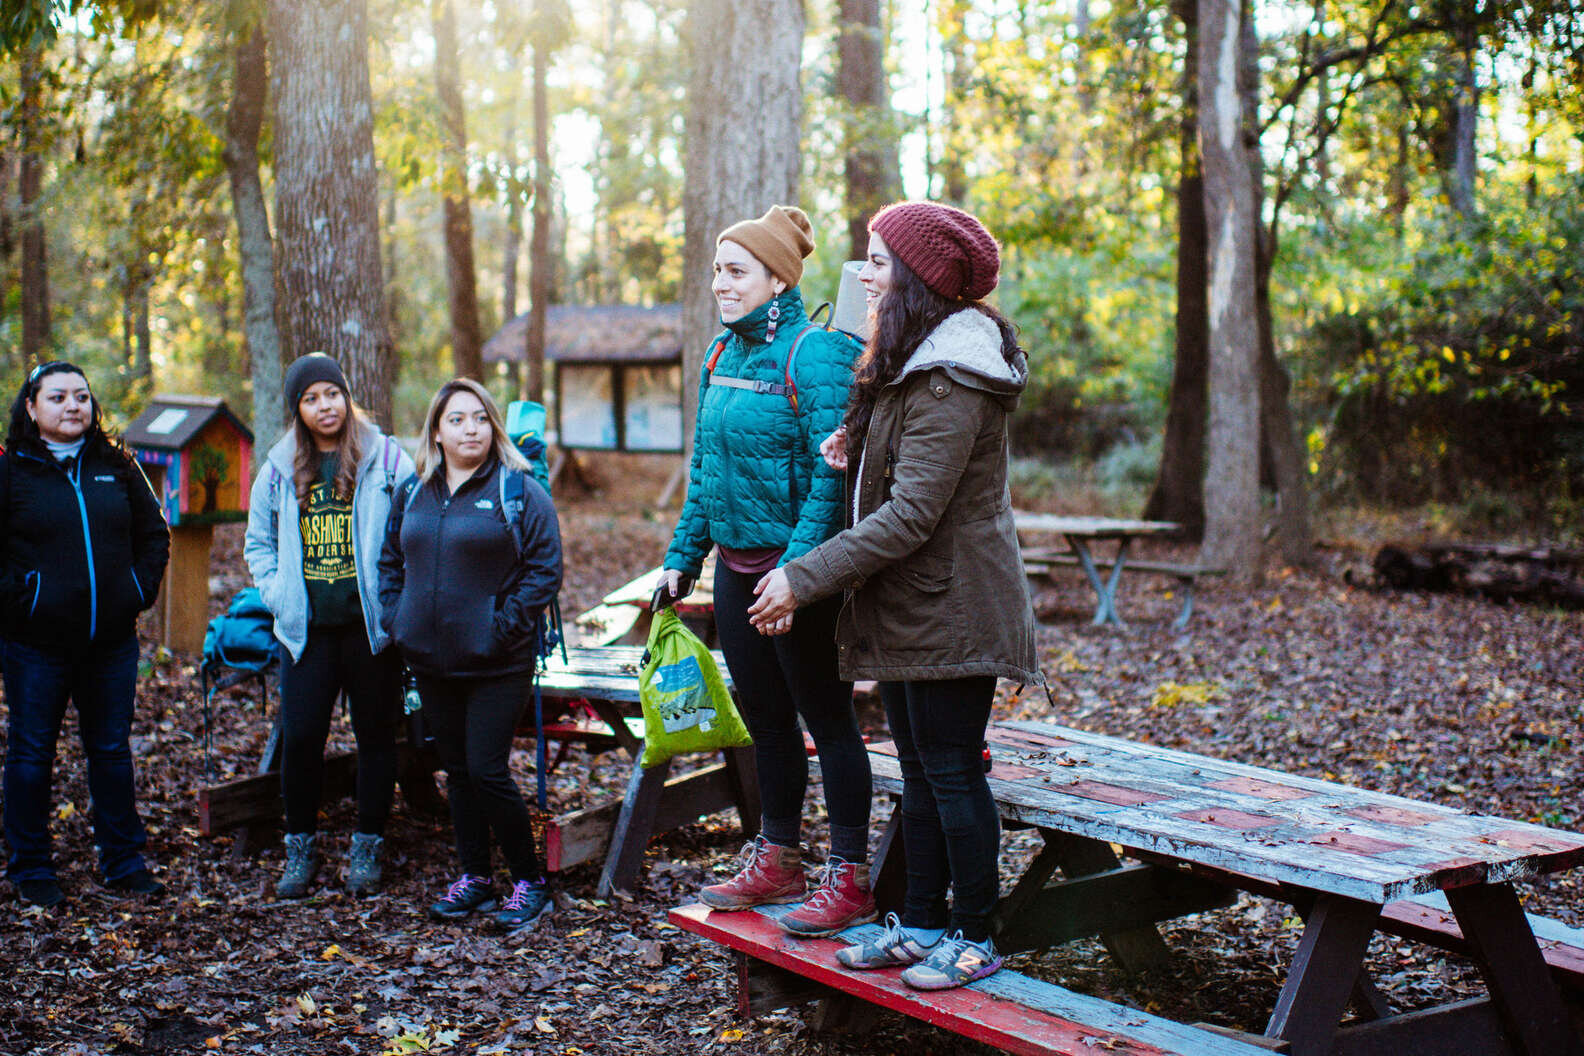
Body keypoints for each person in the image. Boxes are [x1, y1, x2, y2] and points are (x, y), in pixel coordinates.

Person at [748, 201, 1038, 989]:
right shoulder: (916, 361)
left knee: (951, 773)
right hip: (916, 603)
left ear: (918, 277)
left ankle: (974, 934)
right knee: (919, 772)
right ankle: (922, 923)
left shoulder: (953, 375)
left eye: (877, 261)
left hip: (955, 605)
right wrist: (861, 445)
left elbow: (913, 514)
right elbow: (907, 464)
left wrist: (803, 577)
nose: (865, 275)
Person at [660, 205, 875, 937]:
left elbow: (830, 481)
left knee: (829, 721)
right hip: (735, 568)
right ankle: (779, 857)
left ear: (778, 279)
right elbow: (705, 470)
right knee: (767, 722)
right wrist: (683, 557)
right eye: (717, 271)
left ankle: (849, 874)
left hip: (800, 579)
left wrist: (795, 575)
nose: (720, 284)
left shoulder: (815, 356)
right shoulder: (721, 354)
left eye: (735, 271)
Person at [379, 378, 561, 933]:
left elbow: (545, 570)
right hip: (431, 661)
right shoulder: (413, 491)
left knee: (486, 770)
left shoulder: (518, 490)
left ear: (494, 427)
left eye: (480, 418)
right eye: (457, 419)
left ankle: (529, 881)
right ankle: (476, 877)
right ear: (436, 431)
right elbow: (390, 561)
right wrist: (398, 619)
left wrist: (500, 629)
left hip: (497, 663)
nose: (470, 429)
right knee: (457, 772)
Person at [0, 360, 171, 907]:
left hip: (111, 645)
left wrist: (136, 591)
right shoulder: (11, 471)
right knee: (31, 755)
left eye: (81, 395)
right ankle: (31, 868)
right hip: (36, 648)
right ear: (31, 407)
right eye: (57, 397)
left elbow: (154, 534)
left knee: (111, 752)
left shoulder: (117, 464)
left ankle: (123, 861)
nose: (73, 405)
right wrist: (23, 601)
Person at [244, 353, 414, 898]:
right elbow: (257, 543)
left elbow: (415, 530)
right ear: (297, 408)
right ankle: (300, 847)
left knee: (376, 736)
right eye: (311, 398)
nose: (325, 406)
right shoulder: (278, 468)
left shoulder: (387, 459)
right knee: (301, 738)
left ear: (347, 396)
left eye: (332, 394)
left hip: (370, 631)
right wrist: (278, 595)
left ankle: (368, 844)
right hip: (307, 633)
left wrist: (396, 603)